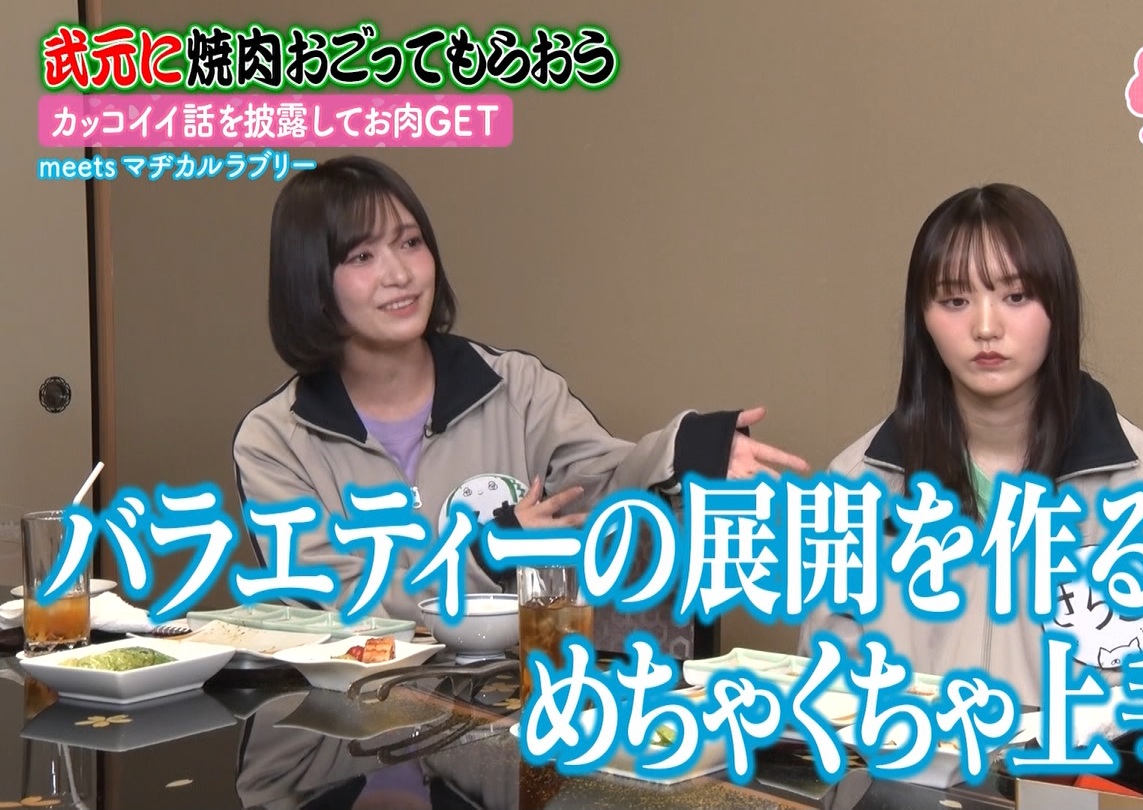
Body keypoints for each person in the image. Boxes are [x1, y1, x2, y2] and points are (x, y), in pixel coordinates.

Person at [232, 155, 809, 624]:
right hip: (358, 724)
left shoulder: (515, 388)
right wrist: (489, 552)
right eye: (362, 255)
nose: (400, 274)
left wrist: (687, 451)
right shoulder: (274, 441)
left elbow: (603, 487)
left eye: (410, 243)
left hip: (521, 700)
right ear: (312, 282)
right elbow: (334, 601)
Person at [797, 183, 1143, 750]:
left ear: (1057, 309)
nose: (986, 327)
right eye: (955, 301)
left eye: (1016, 297)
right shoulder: (857, 487)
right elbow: (826, 706)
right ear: (922, 318)